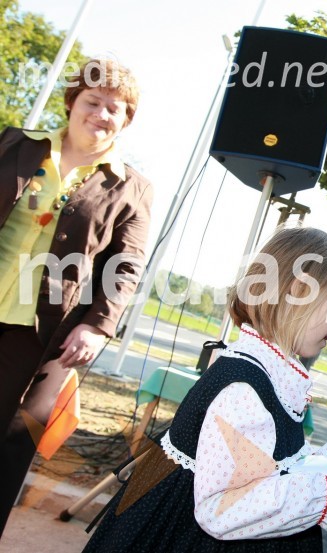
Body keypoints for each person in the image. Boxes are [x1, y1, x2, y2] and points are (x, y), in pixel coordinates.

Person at [84, 226, 327, 552]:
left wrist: (322, 462)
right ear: (297, 294)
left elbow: (268, 461)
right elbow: (226, 506)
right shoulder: (244, 391)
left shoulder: (271, 375)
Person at [0, 58, 153, 535]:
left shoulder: (132, 187)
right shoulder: (14, 144)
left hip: (42, 333)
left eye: (115, 108)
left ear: (126, 120)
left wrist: (98, 324)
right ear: (72, 104)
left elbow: (125, 265)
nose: (101, 114)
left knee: (11, 440)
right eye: (93, 102)